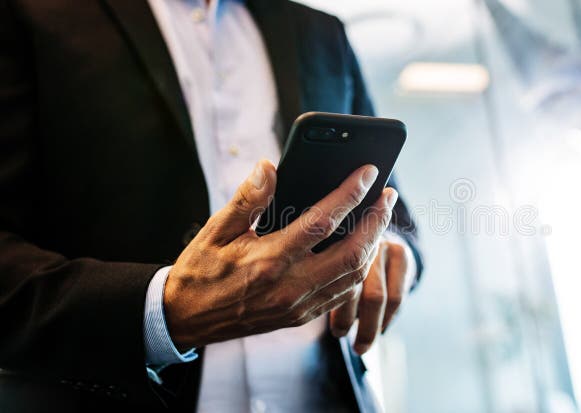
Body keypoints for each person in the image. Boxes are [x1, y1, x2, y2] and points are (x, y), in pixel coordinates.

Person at [0, 0, 423, 412]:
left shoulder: (321, 31)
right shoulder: (27, 14)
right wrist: (164, 313)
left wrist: (386, 250)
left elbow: (396, 217)